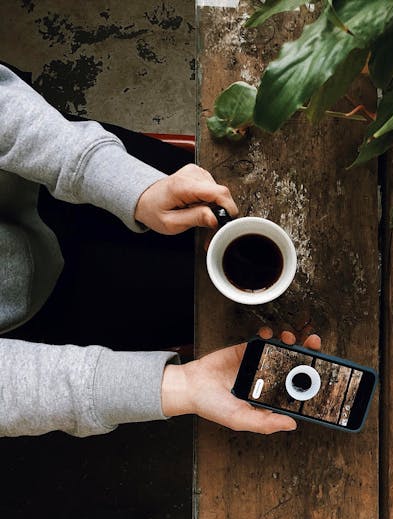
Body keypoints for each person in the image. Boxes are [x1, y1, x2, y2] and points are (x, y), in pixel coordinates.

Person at [0, 63, 312, 437]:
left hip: (37, 162)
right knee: (216, 321)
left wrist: (130, 184)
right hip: (39, 311)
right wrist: (182, 386)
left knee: (221, 192)